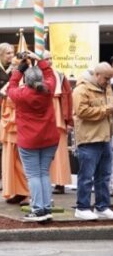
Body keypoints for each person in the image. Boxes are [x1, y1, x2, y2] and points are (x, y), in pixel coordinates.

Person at [7, 52, 58, 222]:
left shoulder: (21, 95)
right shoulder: (48, 89)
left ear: (26, 81)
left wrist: (19, 70)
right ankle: (46, 208)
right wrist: (39, 59)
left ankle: (38, 209)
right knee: (44, 173)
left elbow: (11, 86)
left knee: (34, 175)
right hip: (50, 138)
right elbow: (51, 75)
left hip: (29, 140)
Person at [71, 62, 113, 220]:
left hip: (105, 138)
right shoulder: (81, 89)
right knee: (86, 176)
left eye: (110, 79)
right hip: (89, 139)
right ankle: (82, 207)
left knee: (104, 176)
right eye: (106, 78)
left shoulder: (106, 87)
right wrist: (106, 110)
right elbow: (81, 112)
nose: (108, 82)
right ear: (96, 75)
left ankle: (102, 206)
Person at [0, 43, 29, 203]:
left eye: (12, 53)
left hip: (16, 117)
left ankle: (21, 190)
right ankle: (4, 181)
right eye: (8, 53)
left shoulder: (23, 73)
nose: (11, 56)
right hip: (3, 115)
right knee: (3, 153)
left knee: (18, 157)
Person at [42, 51, 74, 194]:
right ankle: (42, 182)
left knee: (60, 151)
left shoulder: (60, 76)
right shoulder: (35, 75)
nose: (49, 61)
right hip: (42, 117)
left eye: (50, 58)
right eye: (46, 59)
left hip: (58, 117)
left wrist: (68, 120)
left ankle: (60, 183)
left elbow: (67, 97)